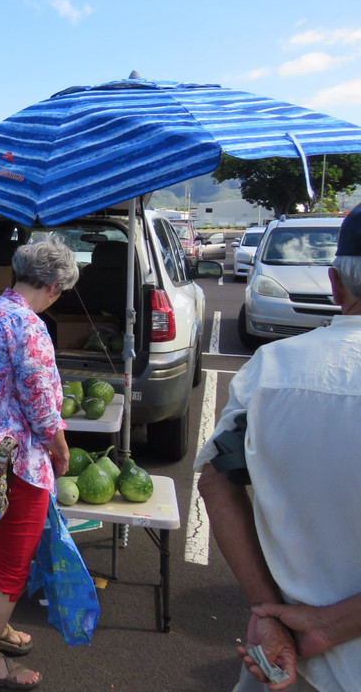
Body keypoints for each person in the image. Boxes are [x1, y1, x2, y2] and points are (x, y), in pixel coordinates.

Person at [196, 204, 361, 692]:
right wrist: (333, 624)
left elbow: (216, 481)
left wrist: (266, 609)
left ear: (336, 284)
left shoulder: (272, 370)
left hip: (282, 658)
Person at [0, 237, 79, 689]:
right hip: (20, 461)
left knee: (5, 552)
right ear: (52, 286)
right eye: (60, 291)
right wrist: (61, 448)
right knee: (12, 563)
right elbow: (42, 405)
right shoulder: (30, 326)